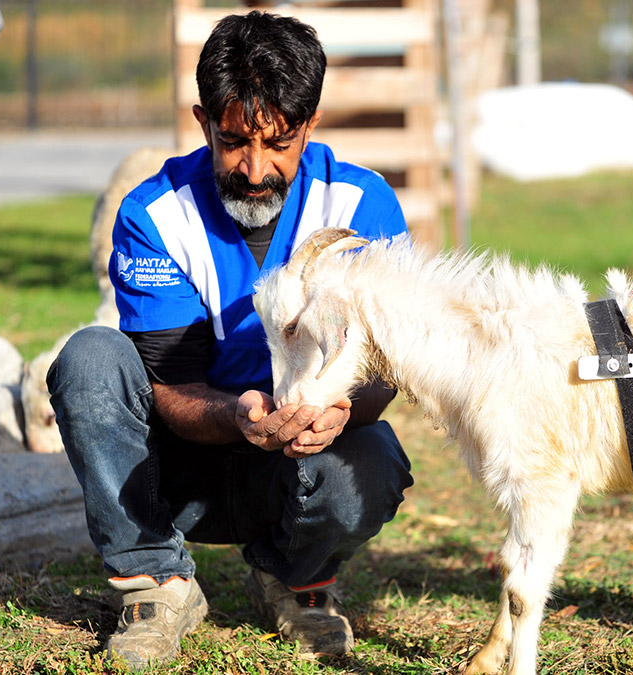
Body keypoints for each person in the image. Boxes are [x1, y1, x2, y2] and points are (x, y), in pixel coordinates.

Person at [47, 11, 413, 671]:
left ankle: (294, 578)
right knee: (89, 360)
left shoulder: (363, 209)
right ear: (203, 122)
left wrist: (339, 408)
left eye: (280, 143)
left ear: (310, 125)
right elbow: (171, 384)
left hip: (299, 469)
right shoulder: (155, 215)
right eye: (234, 140)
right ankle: (155, 584)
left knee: (376, 458)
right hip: (176, 470)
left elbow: (384, 372)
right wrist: (243, 414)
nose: (254, 168)